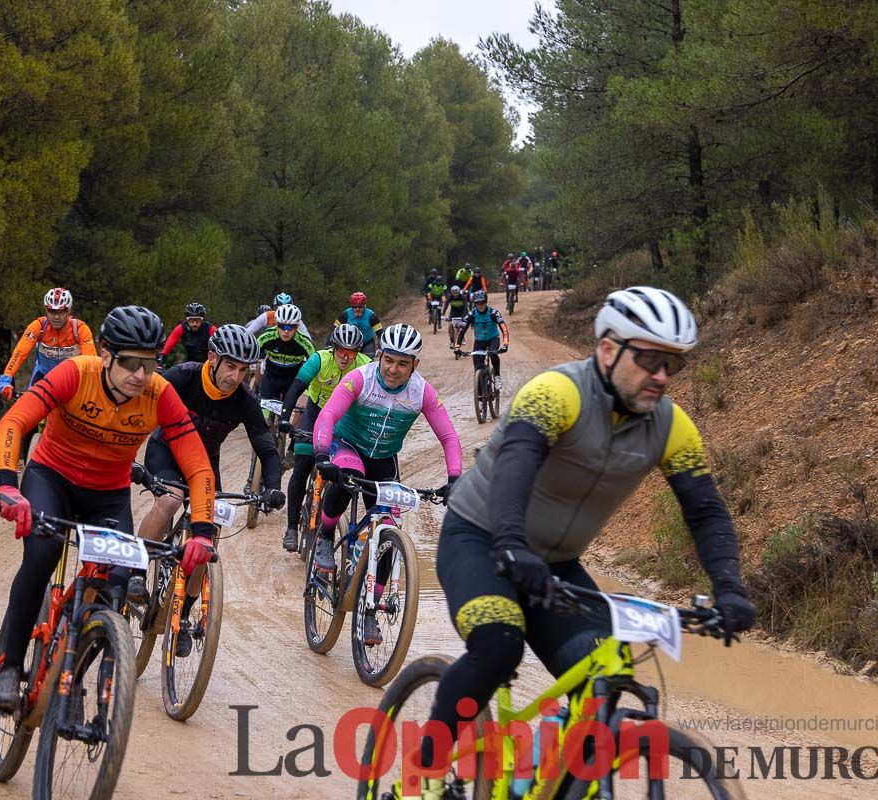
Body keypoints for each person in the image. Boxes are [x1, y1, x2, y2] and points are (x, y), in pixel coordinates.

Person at [407, 287, 757, 798]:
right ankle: (427, 773)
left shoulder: (671, 427)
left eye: (673, 365)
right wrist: (508, 543)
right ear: (609, 349)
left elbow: (704, 510)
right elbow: (515, 467)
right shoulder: (556, 393)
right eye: (651, 359)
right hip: (482, 538)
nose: (662, 376)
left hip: (556, 561)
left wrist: (728, 588)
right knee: (499, 644)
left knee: (603, 672)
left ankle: (546, 777)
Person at [0, 305, 217, 710]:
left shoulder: (159, 394)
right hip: (50, 479)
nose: (140, 376)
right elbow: (13, 424)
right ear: (106, 355)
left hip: (107, 496)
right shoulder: (76, 373)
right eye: (129, 363)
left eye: (149, 364)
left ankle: (70, 676)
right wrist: (9, 487)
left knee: (114, 586)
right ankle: (7, 668)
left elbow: (198, 466)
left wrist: (201, 530)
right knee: (41, 557)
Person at [134, 325, 286, 651]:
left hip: (205, 464)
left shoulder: (244, 399)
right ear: (213, 357)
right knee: (171, 501)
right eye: (231, 366)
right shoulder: (184, 376)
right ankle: (136, 569)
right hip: (167, 453)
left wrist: (273, 487)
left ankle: (185, 616)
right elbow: (139, 405)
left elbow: (266, 446)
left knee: (209, 532)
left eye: (244, 370)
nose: (236, 376)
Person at [311, 324, 462, 645]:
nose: (394, 370)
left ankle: (369, 613)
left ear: (414, 365)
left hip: (383, 459)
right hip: (347, 445)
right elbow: (327, 416)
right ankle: (324, 535)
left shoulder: (421, 392)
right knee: (344, 475)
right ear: (379, 356)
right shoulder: (360, 379)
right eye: (389, 360)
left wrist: (454, 479)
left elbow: (448, 436)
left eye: (403, 363)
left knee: (388, 534)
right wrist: (323, 454)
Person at [276, 324, 371, 552]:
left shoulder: (366, 366)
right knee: (302, 465)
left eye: (352, 352)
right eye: (341, 351)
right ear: (333, 349)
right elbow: (296, 388)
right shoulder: (319, 359)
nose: (346, 358)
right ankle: (291, 528)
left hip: (343, 421)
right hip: (315, 414)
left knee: (343, 471)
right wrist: (285, 418)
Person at [0, 287, 96, 402]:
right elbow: (20, 353)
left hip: (72, 379)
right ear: (46, 310)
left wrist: (91, 386)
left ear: (68, 311)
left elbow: (91, 362)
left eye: (61, 312)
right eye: (52, 312)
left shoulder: (79, 329)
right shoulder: (38, 326)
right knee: (31, 410)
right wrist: (6, 379)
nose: (56, 317)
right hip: (43, 375)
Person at [256, 303, 316, 404]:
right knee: (263, 415)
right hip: (271, 377)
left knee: (290, 414)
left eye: (290, 327)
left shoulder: (305, 343)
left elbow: (316, 366)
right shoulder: (266, 337)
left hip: (292, 379)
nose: (286, 331)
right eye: (282, 326)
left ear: (297, 327)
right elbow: (251, 354)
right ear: (276, 324)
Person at [456, 291, 509, 391]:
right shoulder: (472, 314)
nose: (480, 305)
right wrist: (457, 346)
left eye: (482, 302)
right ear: (475, 304)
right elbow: (461, 330)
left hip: (493, 339)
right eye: (477, 303)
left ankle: (497, 376)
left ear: (486, 302)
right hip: (479, 341)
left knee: (493, 354)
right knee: (477, 366)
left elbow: (503, 328)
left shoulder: (494, 313)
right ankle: (480, 397)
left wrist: (505, 343)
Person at [333, 292, 383, 356]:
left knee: (368, 361)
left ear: (364, 306)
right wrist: (329, 345)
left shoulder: (371, 316)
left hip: (367, 342)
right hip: (350, 343)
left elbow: (380, 333)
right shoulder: (345, 314)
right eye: (354, 307)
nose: (357, 309)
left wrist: (380, 348)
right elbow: (334, 329)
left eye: (360, 307)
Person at [247, 292, 312, 339]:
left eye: (287, 308)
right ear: (274, 307)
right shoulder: (266, 316)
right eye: (279, 308)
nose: (283, 312)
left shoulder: (296, 319)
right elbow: (248, 332)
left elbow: (308, 338)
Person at [442, 285, 471, 350]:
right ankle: (452, 341)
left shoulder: (462, 297)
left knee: (462, 326)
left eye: (456, 293)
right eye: (453, 293)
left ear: (459, 292)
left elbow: (466, 306)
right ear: (451, 293)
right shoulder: (450, 297)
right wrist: (443, 314)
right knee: (450, 326)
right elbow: (446, 304)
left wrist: (465, 316)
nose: (455, 295)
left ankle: (462, 337)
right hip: (453, 313)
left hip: (462, 312)